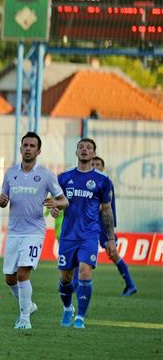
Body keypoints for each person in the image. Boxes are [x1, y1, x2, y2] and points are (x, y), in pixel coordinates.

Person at [0, 132, 68, 329]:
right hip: (13, 232)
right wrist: (1, 201)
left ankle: (24, 319)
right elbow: (3, 199)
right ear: (20, 149)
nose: (28, 148)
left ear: (38, 150)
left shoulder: (46, 175)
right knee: (10, 278)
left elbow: (64, 200)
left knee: (22, 274)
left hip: (34, 232)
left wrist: (55, 202)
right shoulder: (10, 173)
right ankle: (29, 305)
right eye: (25, 145)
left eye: (32, 146)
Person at [55, 139, 117, 329]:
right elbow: (56, 202)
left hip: (89, 234)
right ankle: (68, 309)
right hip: (68, 235)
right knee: (65, 278)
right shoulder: (64, 178)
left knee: (84, 271)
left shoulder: (102, 181)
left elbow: (106, 210)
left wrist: (111, 238)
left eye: (89, 148)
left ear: (93, 154)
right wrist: (56, 210)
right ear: (76, 152)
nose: (84, 150)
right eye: (81, 147)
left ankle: (80, 317)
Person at [91, 156, 136, 296]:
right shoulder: (92, 181)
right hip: (92, 223)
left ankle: (130, 284)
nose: (95, 166)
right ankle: (74, 285)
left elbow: (103, 206)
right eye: (93, 164)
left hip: (103, 224)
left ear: (103, 167)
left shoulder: (105, 182)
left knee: (113, 254)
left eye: (98, 164)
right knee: (82, 251)